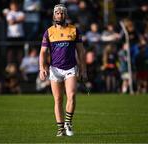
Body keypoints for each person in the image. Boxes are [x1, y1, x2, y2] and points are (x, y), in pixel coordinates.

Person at [39, 4, 86, 137]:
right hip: (55, 69)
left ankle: (68, 123)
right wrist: (42, 68)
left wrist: (83, 70)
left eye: (62, 13)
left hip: (70, 68)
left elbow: (81, 52)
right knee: (58, 99)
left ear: (66, 15)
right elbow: (42, 52)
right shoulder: (49, 32)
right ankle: (60, 129)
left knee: (71, 95)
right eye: (58, 13)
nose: (60, 15)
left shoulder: (74, 30)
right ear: (54, 15)